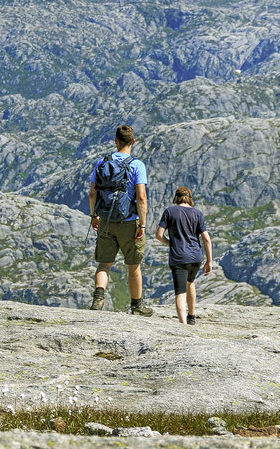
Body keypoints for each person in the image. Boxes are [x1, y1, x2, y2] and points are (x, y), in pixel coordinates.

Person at [88, 124, 152, 316]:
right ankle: (137, 306)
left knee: (105, 263)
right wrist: (142, 223)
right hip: (129, 221)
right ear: (133, 142)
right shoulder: (137, 165)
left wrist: (94, 215)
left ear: (116, 141)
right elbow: (141, 197)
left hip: (106, 219)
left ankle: (98, 301)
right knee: (134, 266)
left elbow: (93, 193)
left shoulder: (102, 162)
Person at [155, 186, 212, 325]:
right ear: (190, 198)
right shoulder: (198, 213)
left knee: (180, 292)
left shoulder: (170, 212)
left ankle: (183, 326)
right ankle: (191, 316)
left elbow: (158, 235)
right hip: (196, 257)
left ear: (176, 197)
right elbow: (206, 238)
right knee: (190, 282)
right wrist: (209, 261)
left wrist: (170, 244)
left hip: (179, 257)